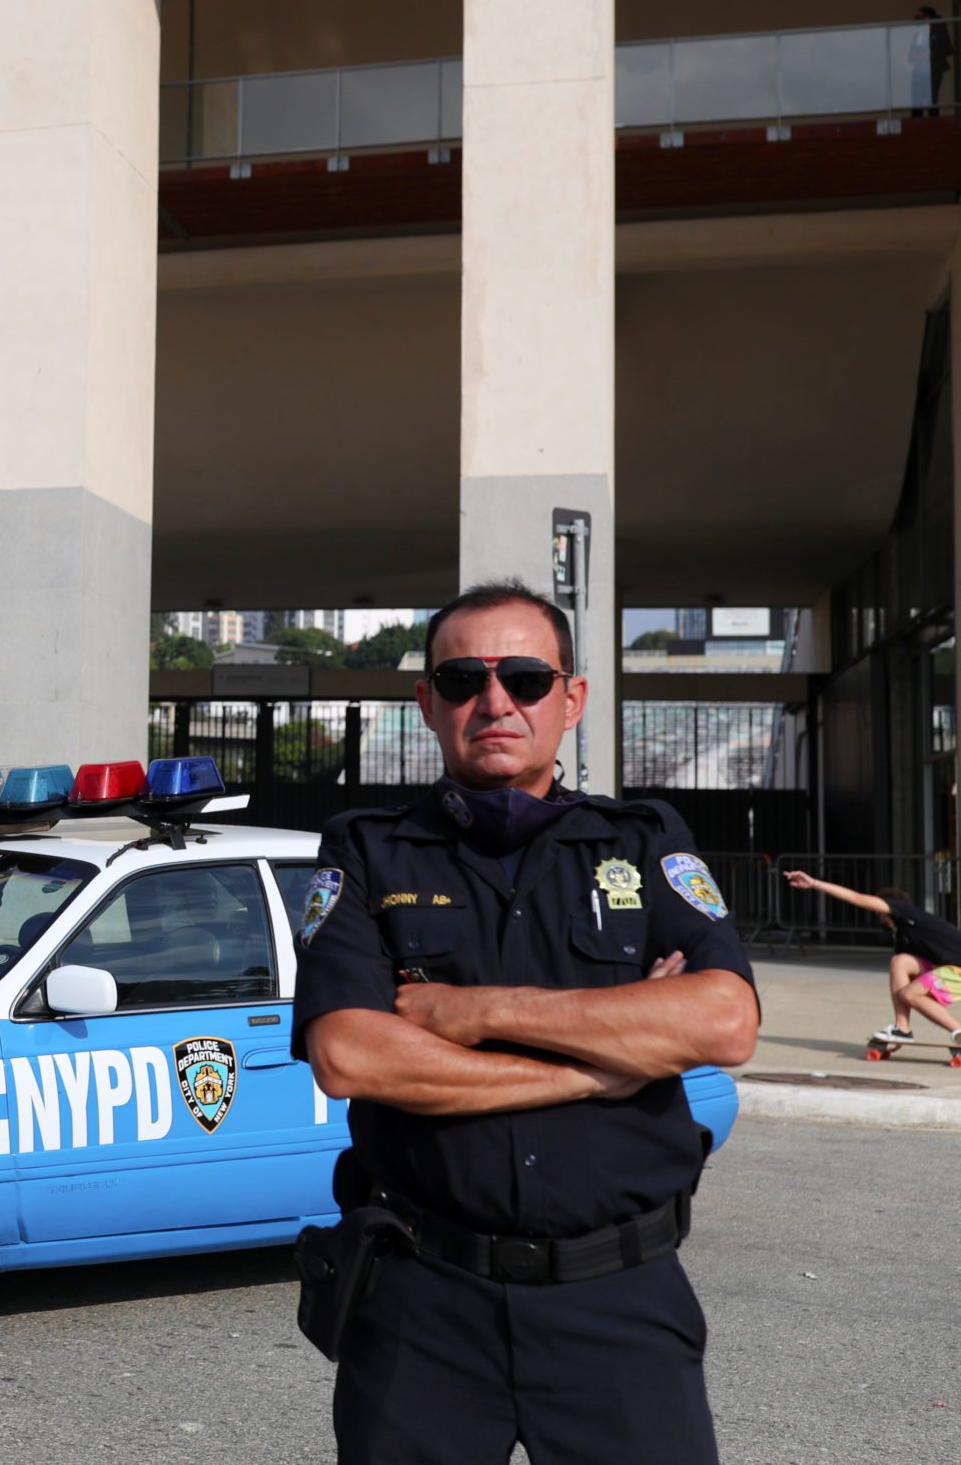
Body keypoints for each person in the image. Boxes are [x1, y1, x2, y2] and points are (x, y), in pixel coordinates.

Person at [293, 580, 761, 1464]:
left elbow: (726, 1019)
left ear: (572, 698)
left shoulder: (642, 841)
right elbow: (352, 1054)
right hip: (423, 1302)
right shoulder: (365, 849)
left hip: (619, 1300)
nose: (495, 699)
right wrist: (600, 1061)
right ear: (427, 703)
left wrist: (476, 1011)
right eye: (464, 676)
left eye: (526, 677)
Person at [783, 870, 961, 1047]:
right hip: (946, 968)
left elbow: (857, 898)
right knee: (900, 962)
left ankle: (957, 1029)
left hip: (957, 968)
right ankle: (902, 1029)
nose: (879, 917)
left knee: (910, 994)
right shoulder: (903, 937)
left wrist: (814, 883)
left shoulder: (906, 913)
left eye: (879, 912)